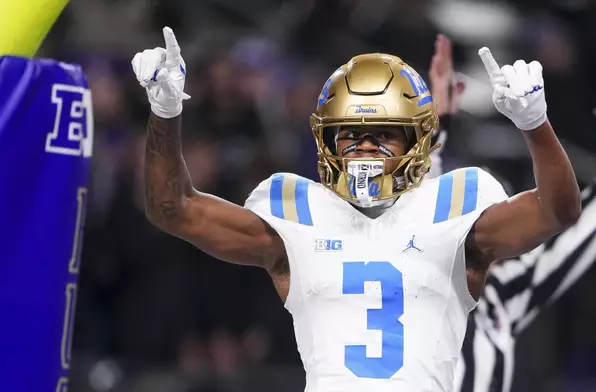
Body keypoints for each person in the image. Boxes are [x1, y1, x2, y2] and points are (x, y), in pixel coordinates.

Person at [131, 26, 581, 392]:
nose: (364, 148)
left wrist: (534, 123)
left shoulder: (453, 206)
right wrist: (165, 111)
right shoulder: (295, 214)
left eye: (383, 135)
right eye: (349, 134)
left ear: (416, 141)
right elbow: (174, 209)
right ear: (326, 140)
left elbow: (557, 212)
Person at [428, 34, 596, 392]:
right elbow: (412, 214)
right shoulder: (414, 264)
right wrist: (431, 135)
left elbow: (569, 219)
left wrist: (536, 124)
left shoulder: (505, 292)